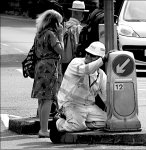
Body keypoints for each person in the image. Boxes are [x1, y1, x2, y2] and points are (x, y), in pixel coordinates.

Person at [54, 41, 108, 133]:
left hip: (89, 106)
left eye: (92, 55)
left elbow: (106, 96)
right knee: (77, 126)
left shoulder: (101, 75)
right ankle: (59, 122)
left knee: (108, 122)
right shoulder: (76, 63)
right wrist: (102, 60)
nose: (88, 56)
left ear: (98, 59)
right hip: (70, 104)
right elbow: (86, 70)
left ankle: (82, 122)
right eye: (87, 53)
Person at [31, 9, 64, 138]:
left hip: (39, 66)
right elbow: (60, 50)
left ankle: (42, 128)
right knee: (48, 98)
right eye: (59, 23)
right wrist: (60, 35)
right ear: (54, 22)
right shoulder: (51, 34)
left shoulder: (39, 34)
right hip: (49, 67)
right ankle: (44, 130)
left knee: (41, 99)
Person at [62, 0, 89, 75]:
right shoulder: (78, 29)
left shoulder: (63, 26)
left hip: (61, 61)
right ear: (80, 14)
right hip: (72, 62)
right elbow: (77, 46)